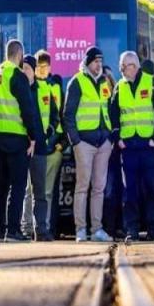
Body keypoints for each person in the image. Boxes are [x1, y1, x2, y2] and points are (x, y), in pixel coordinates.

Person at [110, 51, 154, 242]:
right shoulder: (119, 86)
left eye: (125, 66)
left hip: (148, 144)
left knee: (152, 188)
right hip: (128, 146)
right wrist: (118, 138)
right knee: (130, 191)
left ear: (134, 66)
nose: (122, 70)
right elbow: (114, 114)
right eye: (122, 66)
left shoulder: (151, 83)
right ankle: (131, 229)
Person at [0, 39, 41, 242]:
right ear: (19, 55)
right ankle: (13, 230)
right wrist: (33, 136)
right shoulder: (17, 76)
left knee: (0, 184)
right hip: (16, 136)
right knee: (18, 185)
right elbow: (27, 109)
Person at [64, 46, 114, 242]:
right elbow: (68, 114)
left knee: (99, 188)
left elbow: (108, 109)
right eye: (95, 61)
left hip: (103, 143)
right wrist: (75, 141)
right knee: (82, 187)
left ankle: (97, 229)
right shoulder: (77, 82)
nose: (98, 65)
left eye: (100, 61)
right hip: (84, 142)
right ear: (87, 62)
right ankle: (81, 230)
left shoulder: (104, 82)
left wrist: (110, 137)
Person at [20, 55, 55, 241]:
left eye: (27, 68)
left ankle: (40, 229)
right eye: (22, 68)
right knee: (22, 190)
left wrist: (48, 132)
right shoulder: (17, 88)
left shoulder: (45, 88)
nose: (24, 71)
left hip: (40, 147)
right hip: (22, 145)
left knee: (39, 191)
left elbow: (55, 114)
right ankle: (24, 228)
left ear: (34, 71)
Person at [35, 50, 66, 237]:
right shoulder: (31, 86)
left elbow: (61, 115)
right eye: (39, 66)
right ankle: (33, 227)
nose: (42, 69)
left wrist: (62, 143)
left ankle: (47, 228)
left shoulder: (55, 87)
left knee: (49, 192)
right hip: (35, 145)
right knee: (33, 192)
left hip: (54, 145)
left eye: (45, 66)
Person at [102, 64, 125, 239]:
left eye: (108, 80)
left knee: (119, 188)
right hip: (102, 148)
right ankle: (108, 227)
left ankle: (119, 226)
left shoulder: (117, 98)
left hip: (118, 149)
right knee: (106, 189)